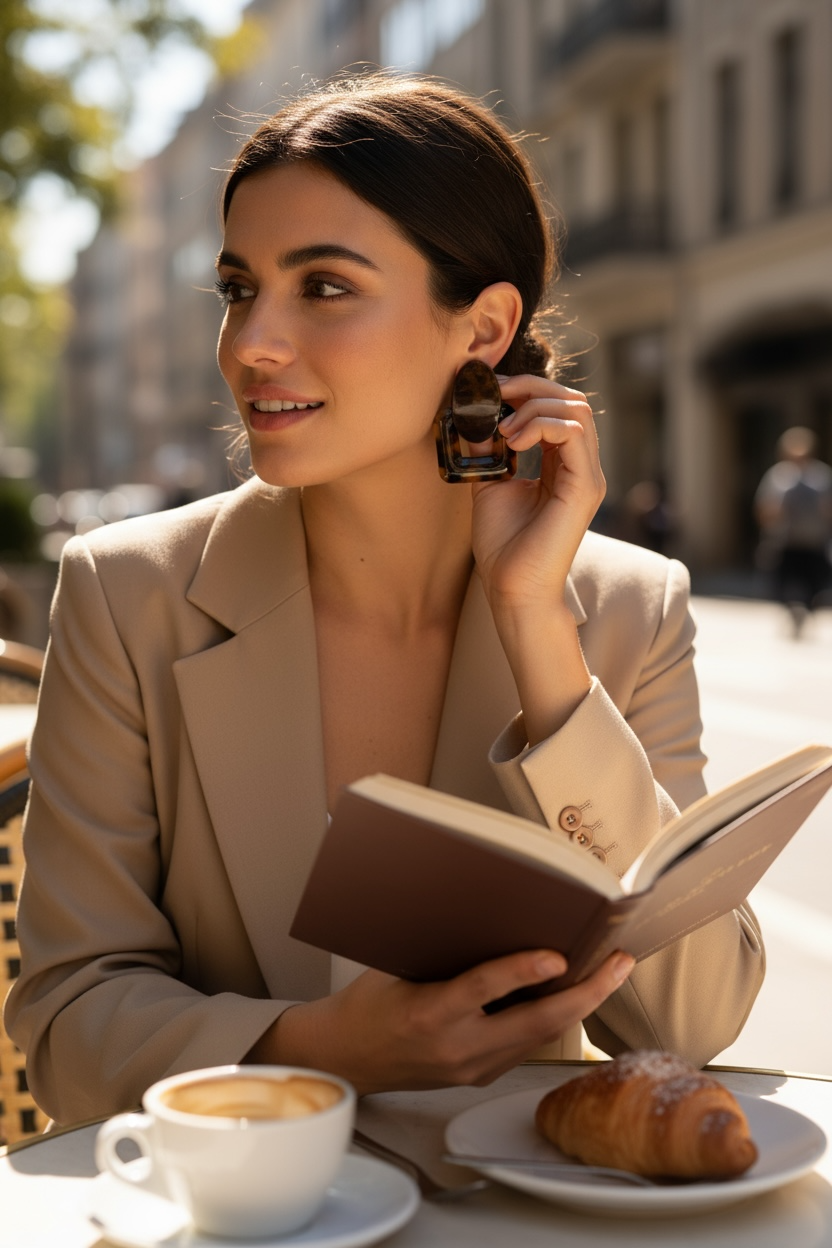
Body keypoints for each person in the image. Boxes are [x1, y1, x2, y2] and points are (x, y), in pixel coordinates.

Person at [4, 74, 763, 1126]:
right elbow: (66, 1027)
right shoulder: (128, 593)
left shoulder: (625, 607)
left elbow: (692, 1022)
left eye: (322, 287)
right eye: (238, 288)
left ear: (484, 327)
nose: (251, 343)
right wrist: (321, 1052)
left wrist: (538, 632)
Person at [754, 426, 832, 637]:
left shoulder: (821, 477)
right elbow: (764, 507)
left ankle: (804, 611)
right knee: (785, 584)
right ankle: (794, 611)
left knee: (815, 583)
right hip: (785, 541)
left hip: (813, 541)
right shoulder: (777, 477)